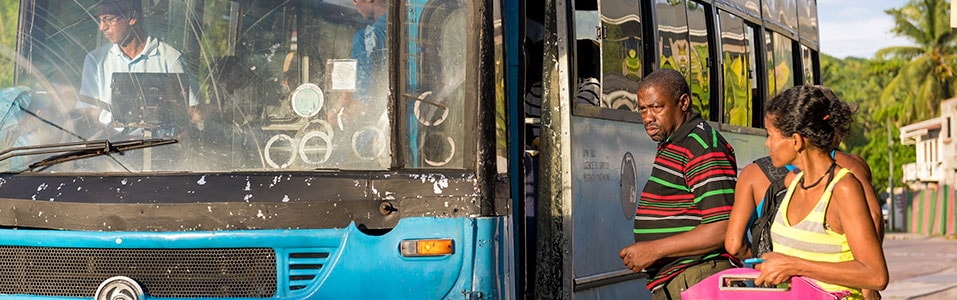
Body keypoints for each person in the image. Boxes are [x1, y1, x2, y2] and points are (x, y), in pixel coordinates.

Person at [755, 85, 887, 299]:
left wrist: (793, 265)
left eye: (771, 135)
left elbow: (876, 276)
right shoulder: (793, 182)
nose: (767, 143)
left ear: (796, 141)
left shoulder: (843, 188)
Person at [619, 69, 738, 299]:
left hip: (695, 278)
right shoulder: (675, 142)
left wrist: (653, 249)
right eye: (642, 109)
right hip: (680, 279)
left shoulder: (701, 146)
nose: (647, 117)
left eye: (656, 107)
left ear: (683, 103)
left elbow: (722, 228)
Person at [77, 0, 200, 133]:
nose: (102, 27)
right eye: (100, 20)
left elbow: (192, 113)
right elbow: (89, 113)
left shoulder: (170, 59)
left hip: (160, 147)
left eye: (108, 19)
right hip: (111, 148)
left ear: (132, 18)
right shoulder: (96, 60)